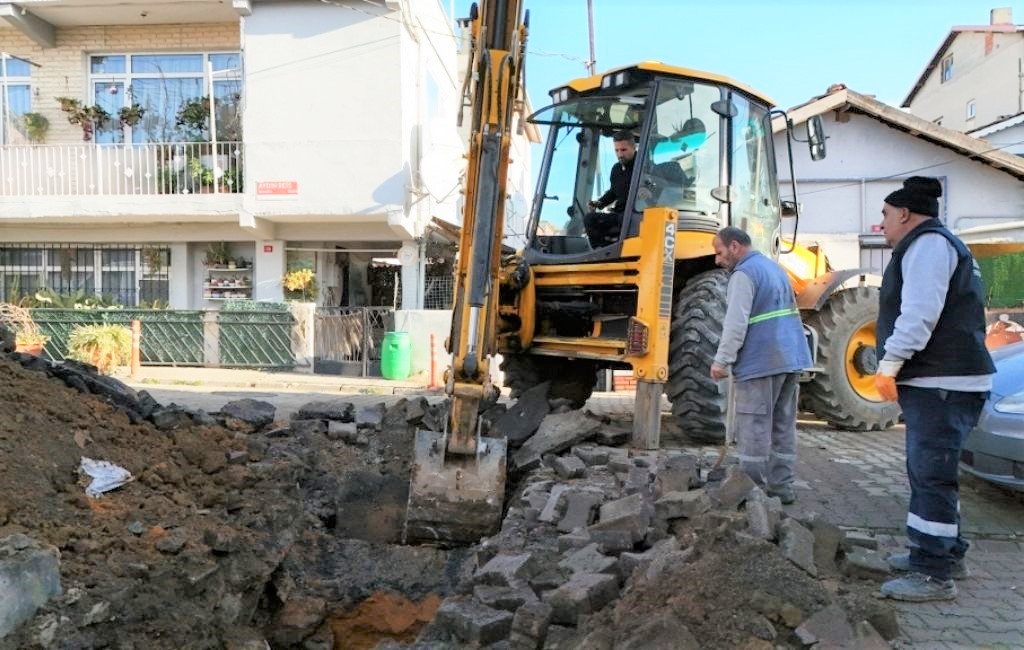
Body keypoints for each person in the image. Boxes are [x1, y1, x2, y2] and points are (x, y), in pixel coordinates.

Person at [874, 176, 995, 602]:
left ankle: (932, 573)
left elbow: (919, 314)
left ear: (905, 214)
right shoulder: (939, 244)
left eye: (886, 215)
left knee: (931, 474)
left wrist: (888, 364)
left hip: (942, 381)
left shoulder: (927, 246)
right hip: (945, 380)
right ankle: (947, 551)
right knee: (932, 472)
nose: (882, 224)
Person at [710, 226, 811, 504]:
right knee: (783, 425)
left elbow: (735, 323)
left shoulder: (743, 275)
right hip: (790, 358)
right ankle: (782, 488)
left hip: (760, 361)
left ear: (734, 246)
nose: (717, 260)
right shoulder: (775, 269)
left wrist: (722, 360)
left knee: (754, 424)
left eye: (719, 252)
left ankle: (750, 491)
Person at [584, 130, 636, 248]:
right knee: (589, 219)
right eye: (616, 150)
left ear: (633, 148)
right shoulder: (616, 169)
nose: (619, 154)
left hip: (635, 215)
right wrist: (599, 203)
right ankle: (602, 250)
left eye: (623, 150)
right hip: (619, 215)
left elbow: (655, 185)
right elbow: (613, 192)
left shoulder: (643, 166)